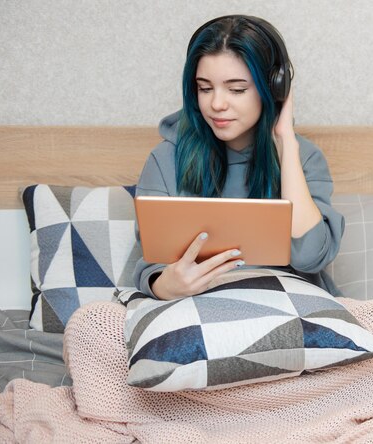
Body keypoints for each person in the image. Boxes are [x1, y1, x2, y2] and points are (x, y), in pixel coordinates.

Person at [132, 15, 344, 300]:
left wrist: (286, 144)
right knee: (95, 320)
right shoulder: (166, 158)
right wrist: (165, 285)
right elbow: (152, 262)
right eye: (205, 88)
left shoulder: (303, 158)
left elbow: (310, 256)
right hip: (195, 310)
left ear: (274, 88)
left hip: (290, 307)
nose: (217, 104)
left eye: (236, 89)